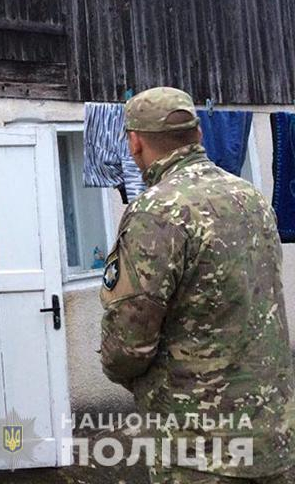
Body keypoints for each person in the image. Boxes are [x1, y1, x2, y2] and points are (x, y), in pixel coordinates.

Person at [99, 87, 295, 483]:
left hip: (201, 449)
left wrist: (129, 376)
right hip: (273, 434)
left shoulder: (156, 211)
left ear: (135, 143)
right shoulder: (251, 198)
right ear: (199, 134)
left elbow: (127, 346)